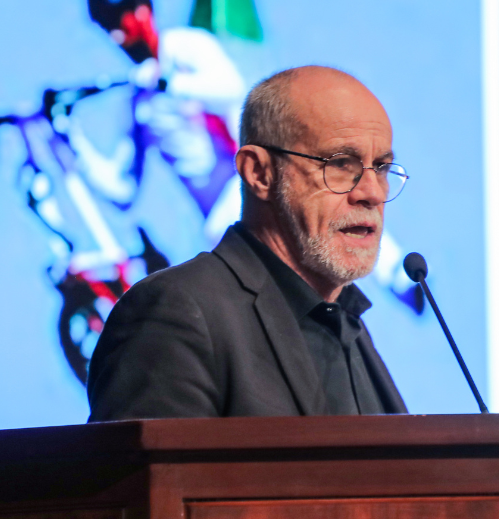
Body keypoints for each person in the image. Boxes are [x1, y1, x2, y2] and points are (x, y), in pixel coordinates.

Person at [86, 66, 412, 419]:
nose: (373, 192)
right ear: (259, 173)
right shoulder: (175, 313)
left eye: (380, 168)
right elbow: (157, 474)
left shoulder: (346, 324)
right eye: (340, 164)